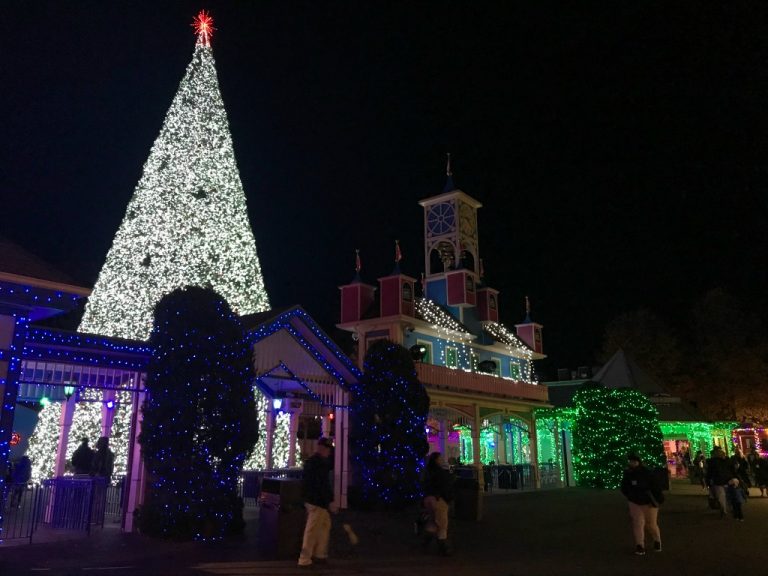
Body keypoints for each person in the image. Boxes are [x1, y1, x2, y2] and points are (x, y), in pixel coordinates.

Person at [298, 437, 335, 569]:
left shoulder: (313, 462)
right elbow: (322, 485)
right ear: (322, 448)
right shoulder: (320, 464)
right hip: (317, 501)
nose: (329, 452)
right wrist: (329, 500)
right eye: (328, 449)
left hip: (313, 500)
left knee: (323, 525)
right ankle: (305, 559)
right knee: (313, 529)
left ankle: (319, 554)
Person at [620, 453, 663, 555]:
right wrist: (630, 495)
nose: (632, 463)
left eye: (633, 461)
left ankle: (657, 540)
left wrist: (656, 499)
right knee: (638, 523)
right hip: (635, 501)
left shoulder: (647, 473)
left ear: (638, 462)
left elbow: (655, 487)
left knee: (651, 524)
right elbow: (624, 487)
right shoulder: (629, 473)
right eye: (631, 461)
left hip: (647, 501)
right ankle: (640, 545)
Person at [423, 452, 454, 556]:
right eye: (440, 458)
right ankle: (443, 547)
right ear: (436, 460)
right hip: (438, 499)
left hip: (428, 498)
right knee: (442, 523)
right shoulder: (440, 472)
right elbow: (445, 485)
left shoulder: (427, 472)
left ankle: (425, 543)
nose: (442, 460)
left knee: (432, 522)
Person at [706, 447, 733, 516]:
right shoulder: (714, 461)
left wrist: (708, 481)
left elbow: (709, 472)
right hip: (721, 481)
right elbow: (710, 472)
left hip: (723, 481)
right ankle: (724, 509)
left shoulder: (715, 461)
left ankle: (725, 509)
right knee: (722, 496)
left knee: (723, 495)